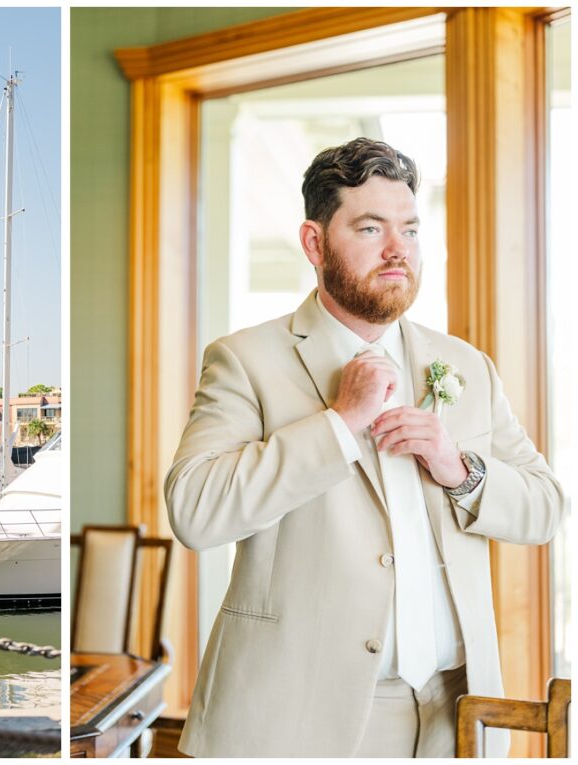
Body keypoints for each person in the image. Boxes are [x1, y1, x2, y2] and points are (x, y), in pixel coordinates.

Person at [164, 137, 563, 758]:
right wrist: (338, 424)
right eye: (371, 228)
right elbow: (195, 511)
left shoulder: (467, 366)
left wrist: (460, 470)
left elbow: (546, 508)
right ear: (314, 242)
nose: (398, 249)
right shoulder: (244, 360)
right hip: (294, 720)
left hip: (454, 720)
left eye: (409, 228)